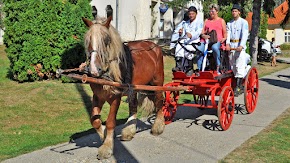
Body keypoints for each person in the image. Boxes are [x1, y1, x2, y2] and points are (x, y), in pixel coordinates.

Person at [172, 6, 204, 76]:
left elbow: (198, 32)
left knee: (188, 50)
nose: (191, 16)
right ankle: (178, 66)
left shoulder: (199, 22)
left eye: (192, 14)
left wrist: (191, 35)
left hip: (194, 42)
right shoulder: (186, 23)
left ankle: (190, 68)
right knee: (178, 46)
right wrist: (181, 33)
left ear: (196, 14)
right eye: (190, 14)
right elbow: (184, 34)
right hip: (186, 42)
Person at [226, 4, 249, 96]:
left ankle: (239, 87)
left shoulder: (244, 22)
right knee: (233, 66)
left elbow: (245, 34)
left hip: (239, 47)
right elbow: (228, 34)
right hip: (232, 46)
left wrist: (241, 46)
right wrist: (227, 44)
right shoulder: (229, 23)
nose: (234, 13)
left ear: (239, 12)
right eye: (233, 11)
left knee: (239, 65)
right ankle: (236, 84)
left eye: (236, 11)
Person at [200, 4, 227, 74]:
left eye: (213, 11)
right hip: (207, 41)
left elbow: (225, 33)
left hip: (217, 41)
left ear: (217, 11)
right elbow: (202, 32)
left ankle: (218, 65)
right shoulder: (206, 21)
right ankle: (200, 68)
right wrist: (203, 36)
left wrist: (224, 38)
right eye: (210, 11)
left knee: (214, 47)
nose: (211, 13)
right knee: (199, 49)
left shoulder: (221, 21)